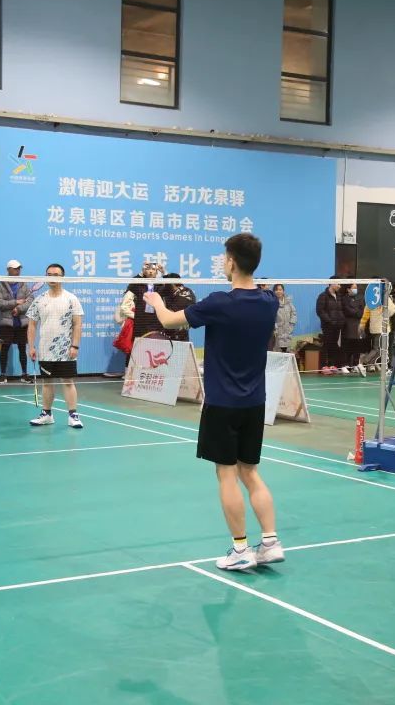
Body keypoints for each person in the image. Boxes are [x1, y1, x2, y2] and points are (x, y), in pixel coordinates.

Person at [144, 233, 282, 571]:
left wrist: (155, 299)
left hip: (222, 403)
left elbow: (169, 321)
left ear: (231, 262)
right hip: (255, 402)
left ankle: (240, 549)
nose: (222, 262)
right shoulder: (269, 302)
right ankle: (270, 542)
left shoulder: (220, 303)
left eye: (224, 257)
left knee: (226, 475)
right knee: (250, 471)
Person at [26, 263, 84, 429]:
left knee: (67, 381)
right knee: (47, 382)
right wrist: (31, 346)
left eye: (56, 275)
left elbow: (77, 324)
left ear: (62, 277)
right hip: (45, 349)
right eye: (49, 274)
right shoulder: (39, 300)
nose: (52, 277)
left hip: (66, 349)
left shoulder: (71, 299)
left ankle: (73, 416)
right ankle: (47, 415)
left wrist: (75, 346)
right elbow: (32, 325)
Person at [0, 259, 35, 384]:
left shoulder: (24, 284)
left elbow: (30, 300)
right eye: (15, 268)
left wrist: (19, 309)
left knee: (22, 349)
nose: (18, 271)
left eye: (19, 268)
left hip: (22, 322)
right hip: (7, 323)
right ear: (8, 270)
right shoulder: (0, 285)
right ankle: (3, 375)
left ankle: (24, 375)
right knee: (4, 349)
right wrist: (15, 302)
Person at [315, 278, 344, 374]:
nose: (339, 286)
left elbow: (340, 310)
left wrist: (341, 321)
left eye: (340, 284)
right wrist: (329, 321)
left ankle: (332, 365)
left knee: (333, 345)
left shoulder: (339, 296)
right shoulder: (323, 296)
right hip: (327, 325)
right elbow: (320, 311)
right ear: (331, 283)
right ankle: (323, 366)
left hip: (337, 326)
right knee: (326, 345)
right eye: (338, 284)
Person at [160, 273, 196, 341]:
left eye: (166, 282)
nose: (164, 284)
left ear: (172, 283)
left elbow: (170, 314)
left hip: (179, 335)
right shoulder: (172, 292)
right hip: (171, 332)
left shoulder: (184, 296)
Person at [272, 283, 297, 353]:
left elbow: (294, 313)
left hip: (288, 331)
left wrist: (291, 324)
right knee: (278, 351)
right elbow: (271, 316)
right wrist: (275, 327)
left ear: (283, 291)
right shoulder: (272, 302)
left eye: (280, 289)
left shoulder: (289, 302)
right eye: (276, 290)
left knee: (287, 350)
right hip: (278, 332)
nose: (278, 291)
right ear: (274, 291)